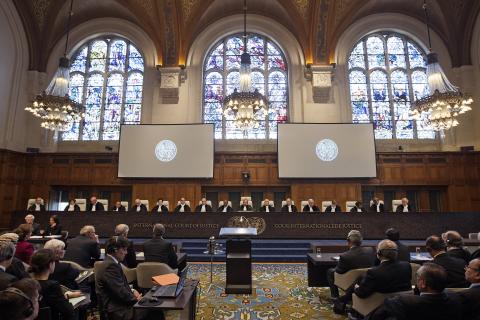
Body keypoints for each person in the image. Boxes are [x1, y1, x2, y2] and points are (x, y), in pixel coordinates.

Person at [335, 240, 412, 314]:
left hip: (375, 306)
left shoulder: (374, 272)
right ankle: (342, 300)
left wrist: (356, 287)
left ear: (379, 254)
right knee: (361, 278)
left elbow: (361, 293)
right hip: (402, 303)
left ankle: (342, 302)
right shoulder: (406, 266)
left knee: (358, 283)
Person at [96, 236, 158, 320]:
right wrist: (137, 299)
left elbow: (117, 286)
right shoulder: (110, 266)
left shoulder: (111, 262)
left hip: (119, 304)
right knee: (154, 310)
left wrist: (132, 290)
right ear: (115, 250)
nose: (126, 253)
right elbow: (120, 292)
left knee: (153, 307)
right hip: (116, 310)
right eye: (124, 249)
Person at [30, 249, 79, 320]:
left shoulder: (26, 282)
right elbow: (68, 311)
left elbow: (46, 300)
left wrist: (66, 296)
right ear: (50, 265)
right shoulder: (52, 285)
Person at [327, 230, 375, 298]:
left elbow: (338, 271)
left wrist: (340, 262)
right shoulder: (370, 250)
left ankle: (335, 297)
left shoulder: (345, 256)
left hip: (348, 282)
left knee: (330, 271)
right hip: (365, 281)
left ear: (348, 241)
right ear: (361, 240)